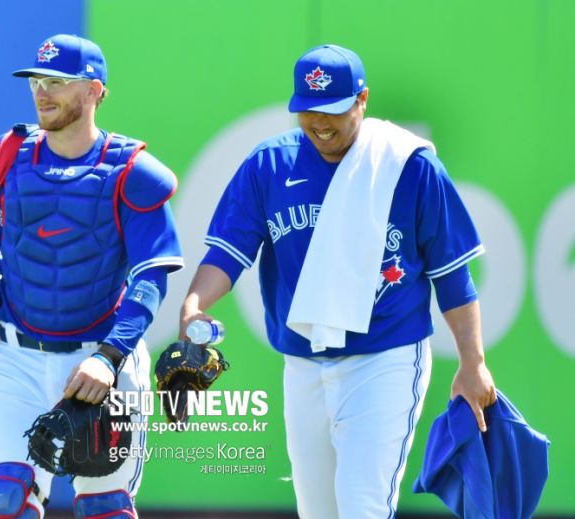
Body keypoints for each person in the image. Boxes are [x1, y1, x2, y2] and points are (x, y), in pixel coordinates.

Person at [179, 44, 497, 519]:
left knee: (362, 506)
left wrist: (473, 362)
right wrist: (194, 305)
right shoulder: (270, 164)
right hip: (302, 363)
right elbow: (228, 252)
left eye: (334, 108)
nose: (320, 122)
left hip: (384, 358)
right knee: (318, 512)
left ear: (362, 100)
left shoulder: (406, 164)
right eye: (308, 110)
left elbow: (452, 273)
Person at [0, 33, 183, 519]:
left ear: (94, 90)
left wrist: (109, 358)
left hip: (100, 362)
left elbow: (152, 277)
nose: (42, 93)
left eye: (56, 82)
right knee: (3, 502)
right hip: (19, 360)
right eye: (35, 82)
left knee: (104, 509)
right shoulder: (2, 160)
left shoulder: (131, 171)